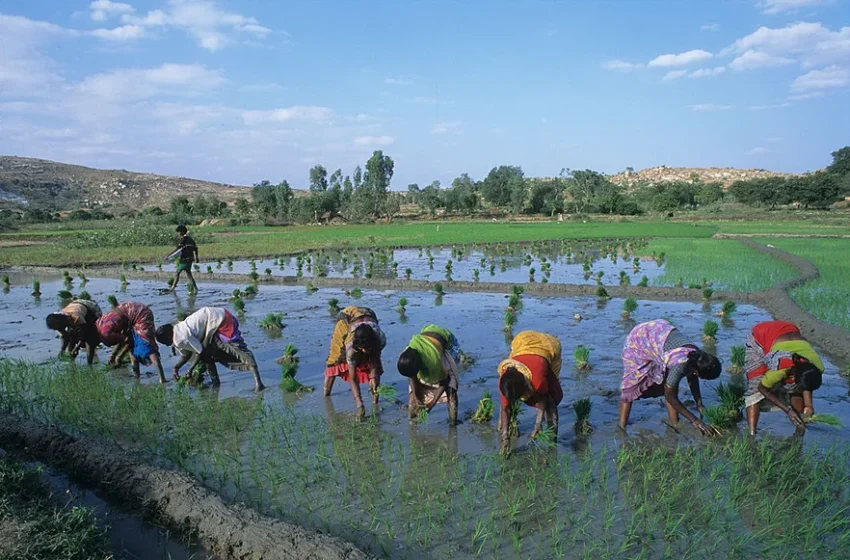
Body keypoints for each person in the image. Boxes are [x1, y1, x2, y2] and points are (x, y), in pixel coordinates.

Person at [618, 319, 721, 435]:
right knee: (632, 384)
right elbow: (670, 396)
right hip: (639, 339)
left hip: (658, 334)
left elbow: (692, 378)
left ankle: (674, 422)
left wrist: (699, 404)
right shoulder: (679, 365)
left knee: (668, 384)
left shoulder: (697, 357)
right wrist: (695, 421)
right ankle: (621, 428)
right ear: (697, 372)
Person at [155, 307, 265, 391]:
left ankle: (258, 383)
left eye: (165, 342)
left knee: (236, 350)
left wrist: (190, 370)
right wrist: (176, 368)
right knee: (207, 355)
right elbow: (186, 354)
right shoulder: (178, 330)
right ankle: (215, 382)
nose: (166, 345)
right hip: (214, 318)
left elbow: (200, 352)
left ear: (168, 337)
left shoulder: (180, 337)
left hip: (221, 320)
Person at [744, 320, 823, 435]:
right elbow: (762, 388)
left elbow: (807, 382)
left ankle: (799, 429)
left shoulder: (817, 366)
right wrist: (787, 411)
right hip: (761, 336)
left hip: (789, 329)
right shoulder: (780, 367)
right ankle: (751, 434)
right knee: (754, 386)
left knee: (794, 387)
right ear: (794, 372)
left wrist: (809, 406)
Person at [497, 330, 563, 451]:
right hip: (521, 342)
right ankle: (502, 427)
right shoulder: (505, 381)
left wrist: (538, 423)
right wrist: (505, 435)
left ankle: (553, 443)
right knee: (506, 404)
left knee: (551, 401)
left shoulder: (537, 379)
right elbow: (505, 408)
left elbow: (543, 398)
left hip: (548, 346)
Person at [324, 306, 386, 418]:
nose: (364, 351)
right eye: (362, 349)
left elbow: (374, 359)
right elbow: (353, 379)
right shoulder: (350, 348)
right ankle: (326, 393)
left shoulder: (380, 339)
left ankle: (375, 401)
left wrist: (372, 376)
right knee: (335, 358)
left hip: (369, 313)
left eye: (367, 348)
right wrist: (359, 405)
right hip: (347, 317)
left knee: (374, 366)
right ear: (358, 345)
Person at [397, 324, 461, 425]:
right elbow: (411, 376)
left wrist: (431, 404)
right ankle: (411, 422)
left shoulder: (433, 361)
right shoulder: (406, 355)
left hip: (447, 343)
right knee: (413, 392)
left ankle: (453, 423)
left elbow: (444, 382)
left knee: (451, 388)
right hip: (426, 334)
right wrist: (416, 396)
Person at [96, 301, 166, 383]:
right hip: (131, 315)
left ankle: (162, 378)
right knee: (133, 348)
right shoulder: (99, 325)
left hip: (141, 314)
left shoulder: (105, 333)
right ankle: (136, 376)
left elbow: (127, 341)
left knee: (146, 346)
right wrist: (113, 356)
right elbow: (123, 340)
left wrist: (119, 357)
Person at [45, 298, 102, 365]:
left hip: (91, 310)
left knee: (89, 340)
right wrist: (62, 351)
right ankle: (71, 362)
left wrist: (77, 348)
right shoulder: (56, 321)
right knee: (71, 338)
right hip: (75, 308)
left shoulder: (76, 317)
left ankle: (89, 364)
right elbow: (65, 336)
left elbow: (84, 336)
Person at [170, 225, 198, 293]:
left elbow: (178, 248)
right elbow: (196, 249)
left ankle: (173, 288)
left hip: (185, 259)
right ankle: (195, 288)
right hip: (190, 258)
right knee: (189, 274)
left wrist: (169, 255)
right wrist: (197, 258)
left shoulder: (183, 239)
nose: (178, 233)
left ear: (182, 232)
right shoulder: (190, 239)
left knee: (177, 273)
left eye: (178, 232)